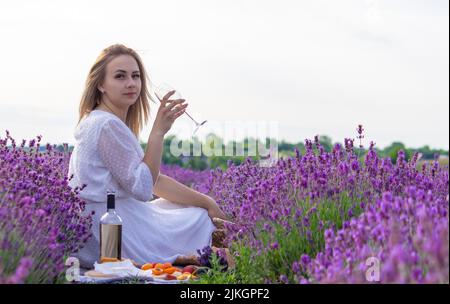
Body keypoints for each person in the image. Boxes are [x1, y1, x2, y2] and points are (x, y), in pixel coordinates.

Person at [68, 44, 227, 269]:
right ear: (101, 84)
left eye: (136, 76)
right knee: (199, 219)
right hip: (108, 231)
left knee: (189, 209)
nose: (131, 83)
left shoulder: (100, 120)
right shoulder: (107, 125)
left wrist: (208, 202)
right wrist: (158, 133)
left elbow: (154, 180)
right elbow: (144, 189)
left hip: (96, 223)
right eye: (120, 76)